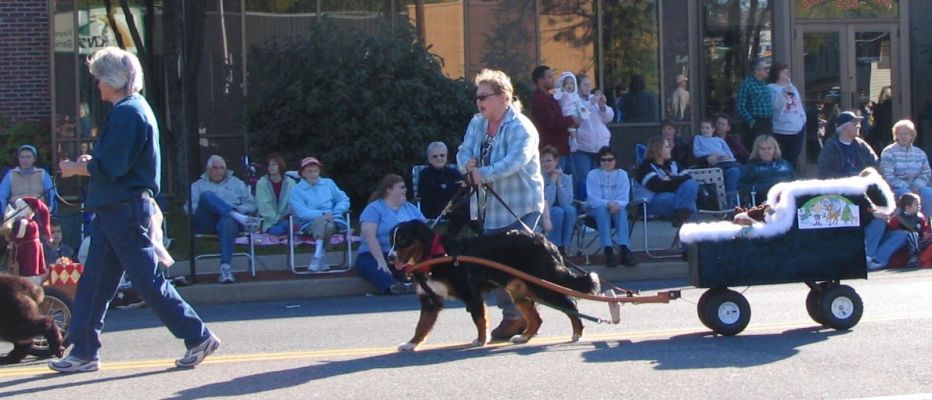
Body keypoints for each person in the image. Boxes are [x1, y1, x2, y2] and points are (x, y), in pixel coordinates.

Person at [53, 47, 219, 373]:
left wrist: (75, 168)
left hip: (123, 210)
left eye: (100, 77)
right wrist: (91, 164)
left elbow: (112, 166)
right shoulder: (132, 109)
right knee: (95, 283)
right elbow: (116, 163)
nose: (97, 84)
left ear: (114, 79)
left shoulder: (127, 113)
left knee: (147, 282)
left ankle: (198, 336)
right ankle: (84, 351)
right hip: (116, 210)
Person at [458, 68, 546, 341]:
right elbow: (464, 151)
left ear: (503, 97)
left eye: (484, 96)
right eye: (477, 97)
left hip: (521, 204)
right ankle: (514, 314)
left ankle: (519, 313)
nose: (479, 102)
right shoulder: (477, 123)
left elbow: (515, 161)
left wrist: (482, 173)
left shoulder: (521, 127)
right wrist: (467, 166)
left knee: (512, 263)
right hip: (488, 207)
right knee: (492, 265)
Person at [188, 155, 258, 284]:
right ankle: (233, 214)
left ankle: (225, 267)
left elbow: (252, 204)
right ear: (208, 170)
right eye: (215, 168)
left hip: (230, 224)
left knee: (227, 220)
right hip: (207, 222)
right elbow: (189, 207)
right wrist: (214, 207)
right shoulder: (197, 185)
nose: (219, 171)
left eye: (222, 168)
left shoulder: (237, 183)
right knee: (207, 195)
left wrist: (235, 209)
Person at [356, 174, 423, 295]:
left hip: (403, 254)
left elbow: (423, 231)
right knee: (369, 265)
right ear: (389, 190)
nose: (405, 190)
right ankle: (393, 286)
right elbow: (370, 236)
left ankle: (412, 284)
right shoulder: (374, 209)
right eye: (401, 187)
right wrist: (380, 260)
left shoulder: (410, 208)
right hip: (374, 253)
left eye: (405, 187)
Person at [289, 156, 350, 272]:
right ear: (302, 173)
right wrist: (322, 214)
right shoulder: (296, 190)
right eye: (310, 171)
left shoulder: (328, 183)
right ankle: (320, 255)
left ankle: (317, 255)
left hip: (334, 218)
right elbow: (301, 212)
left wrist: (337, 211)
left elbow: (344, 199)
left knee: (328, 222)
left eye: (316, 171)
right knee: (326, 224)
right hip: (310, 223)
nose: (314, 174)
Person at [417, 142, 481, 237]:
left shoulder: (453, 172)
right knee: (464, 209)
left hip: (455, 207)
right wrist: (452, 187)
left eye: (442, 155)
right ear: (429, 158)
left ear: (446, 156)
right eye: (435, 156)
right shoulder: (425, 175)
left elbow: (463, 189)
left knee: (462, 211)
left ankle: (449, 238)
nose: (439, 158)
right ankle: (484, 234)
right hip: (434, 209)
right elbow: (432, 195)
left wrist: (446, 187)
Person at [585, 146, 634, 267]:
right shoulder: (592, 174)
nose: (606, 162)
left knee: (622, 211)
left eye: (610, 159)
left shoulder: (622, 174)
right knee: (602, 210)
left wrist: (615, 205)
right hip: (595, 209)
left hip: (616, 207)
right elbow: (592, 198)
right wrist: (608, 203)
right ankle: (608, 249)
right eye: (603, 160)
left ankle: (624, 249)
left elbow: (624, 198)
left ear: (615, 160)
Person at [634, 137, 699, 228]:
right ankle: (683, 221)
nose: (670, 149)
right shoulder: (645, 167)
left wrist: (669, 178)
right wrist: (676, 180)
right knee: (685, 201)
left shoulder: (672, 164)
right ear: (659, 150)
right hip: (649, 203)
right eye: (667, 147)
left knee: (691, 183)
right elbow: (657, 186)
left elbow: (688, 177)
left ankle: (681, 219)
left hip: (673, 199)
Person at [572, 74, 614, 200]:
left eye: (589, 84)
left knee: (601, 179)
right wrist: (590, 103)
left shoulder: (593, 100)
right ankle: (585, 206)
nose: (588, 87)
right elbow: (579, 114)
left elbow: (608, 118)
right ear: (577, 87)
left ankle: (601, 204)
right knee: (585, 179)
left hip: (601, 147)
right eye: (585, 85)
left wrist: (602, 106)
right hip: (583, 147)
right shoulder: (574, 101)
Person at [531, 65, 578, 173]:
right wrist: (571, 120)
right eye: (550, 77)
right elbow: (552, 123)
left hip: (563, 147)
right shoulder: (540, 99)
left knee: (568, 181)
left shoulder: (551, 97)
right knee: (557, 180)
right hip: (553, 150)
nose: (553, 80)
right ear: (541, 80)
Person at [880, 119, 932, 216]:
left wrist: (917, 185)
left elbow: (926, 173)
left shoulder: (919, 153)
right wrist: (907, 187)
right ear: (896, 136)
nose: (903, 136)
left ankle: (925, 224)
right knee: (907, 196)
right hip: (897, 188)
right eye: (900, 134)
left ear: (912, 135)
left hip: (916, 186)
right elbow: (888, 176)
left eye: (906, 133)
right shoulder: (888, 152)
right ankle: (908, 224)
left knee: (929, 193)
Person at [3, 197, 50, 287]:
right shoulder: (30, 222)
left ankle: (30, 284)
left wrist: (10, 234)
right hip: (30, 248)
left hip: (28, 250)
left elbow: (19, 234)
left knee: (29, 269)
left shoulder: (23, 221)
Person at [0, 144, 57, 218]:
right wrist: (5, 213)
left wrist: (50, 210)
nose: (25, 160)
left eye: (28, 157)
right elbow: (2, 196)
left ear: (34, 159)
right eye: (22, 157)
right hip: (16, 210)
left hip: (38, 208)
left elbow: (52, 193)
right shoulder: (10, 174)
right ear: (18, 158)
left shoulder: (43, 173)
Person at [767, 62, 806, 169]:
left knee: (793, 158)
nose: (786, 74)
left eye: (787, 72)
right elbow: (775, 107)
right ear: (776, 73)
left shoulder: (792, 87)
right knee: (781, 158)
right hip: (781, 129)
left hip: (797, 129)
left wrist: (803, 120)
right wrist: (783, 93)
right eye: (783, 72)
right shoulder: (771, 88)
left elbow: (798, 104)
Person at [692, 118, 742, 203]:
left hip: (725, 162)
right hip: (713, 165)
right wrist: (712, 154)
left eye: (707, 128)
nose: (704, 130)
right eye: (702, 128)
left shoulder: (719, 140)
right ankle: (725, 203)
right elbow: (696, 153)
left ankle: (731, 202)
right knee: (721, 173)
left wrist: (726, 157)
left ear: (713, 129)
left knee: (736, 170)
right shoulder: (698, 138)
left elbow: (730, 154)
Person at [817, 111, 878, 179]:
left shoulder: (862, 145)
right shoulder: (831, 147)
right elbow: (824, 171)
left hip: (861, 185)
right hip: (841, 187)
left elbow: (875, 163)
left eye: (858, 123)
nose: (859, 126)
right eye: (855, 123)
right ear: (844, 126)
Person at [540, 146, 576, 257]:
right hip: (544, 213)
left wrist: (559, 183)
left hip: (562, 210)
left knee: (570, 210)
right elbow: (548, 202)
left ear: (556, 161)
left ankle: (565, 246)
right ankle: (556, 247)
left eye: (549, 160)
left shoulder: (566, 178)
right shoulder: (539, 178)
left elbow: (566, 202)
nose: (546, 164)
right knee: (558, 211)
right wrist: (552, 182)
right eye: (543, 161)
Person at [739, 135, 795, 205]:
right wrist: (766, 186)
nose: (766, 151)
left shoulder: (785, 164)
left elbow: (794, 181)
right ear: (757, 151)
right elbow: (743, 188)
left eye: (769, 148)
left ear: (774, 149)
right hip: (766, 202)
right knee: (770, 209)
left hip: (788, 198)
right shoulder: (750, 167)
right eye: (763, 149)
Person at [255, 152, 295, 236]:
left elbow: (293, 203)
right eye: (269, 165)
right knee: (278, 230)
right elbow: (263, 204)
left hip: (287, 219)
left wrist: (284, 216)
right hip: (269, 221)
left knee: (289, 225)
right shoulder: (262, 183)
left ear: (280, 165)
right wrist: (276, 219)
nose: (271, 167)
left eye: (274, 164)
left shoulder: (290, 183)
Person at [736, 58, 773, 145]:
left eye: (768, 68)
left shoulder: (764, 84)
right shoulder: (747, 84)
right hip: (755, 123)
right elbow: (740, 106)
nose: (767, 71)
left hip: (767, 123)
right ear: (757, 71)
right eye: (765, 68)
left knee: (768, 149)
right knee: (755, 150)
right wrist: (751, 121)